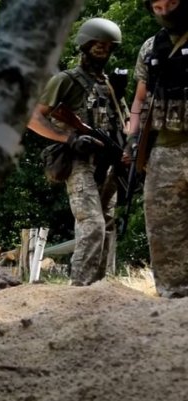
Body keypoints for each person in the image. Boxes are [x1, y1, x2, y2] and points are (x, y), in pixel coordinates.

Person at [27, 18, 128, 286]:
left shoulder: (111, 85)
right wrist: (68, 137)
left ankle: (99, 289)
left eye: (107, 46)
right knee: (92, 223)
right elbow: (33, 118)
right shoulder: (66, 80)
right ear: (84, 45)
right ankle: (80, 289)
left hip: (109, 164)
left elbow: (125, 123)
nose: (102, 49)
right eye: (97, 44)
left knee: (107, 225)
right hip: (79, 161)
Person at [126, 0, 188, 298]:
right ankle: (174, 299)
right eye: (158, 6)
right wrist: (133, 136)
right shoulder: (151, 47)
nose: (165, 12)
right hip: (165, 148)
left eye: (172, 3)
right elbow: (140, 98)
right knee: (164, 227)